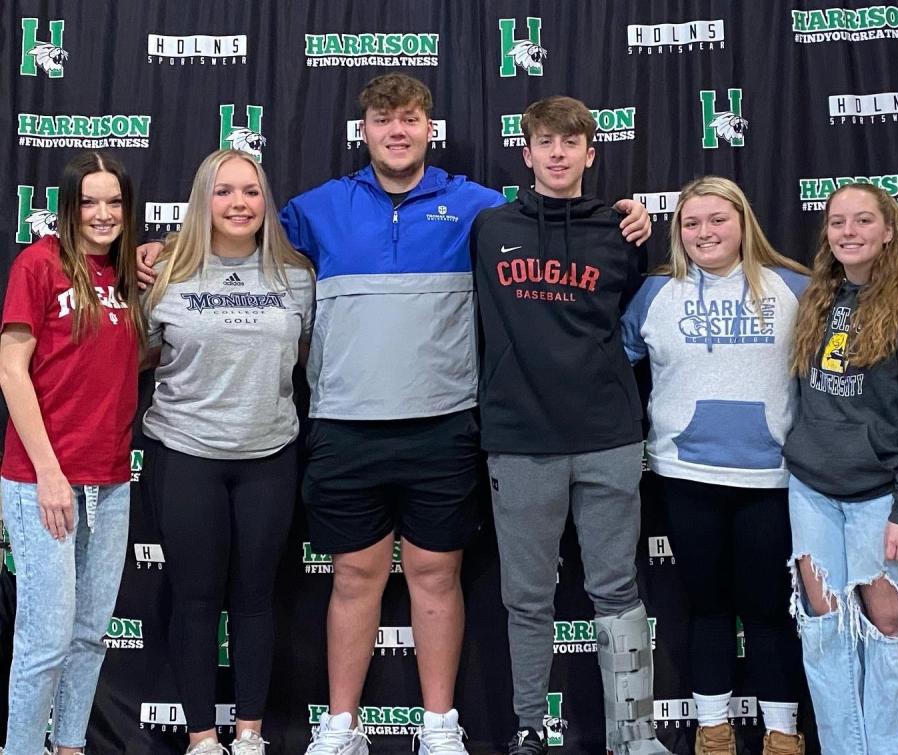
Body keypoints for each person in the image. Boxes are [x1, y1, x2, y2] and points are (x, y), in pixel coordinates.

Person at [137, 73, 650, 755]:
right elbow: (234, 239)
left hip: (444, 424)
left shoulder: (478, 209)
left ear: (429, 130)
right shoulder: (316, 209)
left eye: (410, 119)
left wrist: (631, 216)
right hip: (345, 426)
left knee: (436, 576)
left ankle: (440, 726)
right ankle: (342, 726)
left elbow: (558, 223)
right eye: (384, 121)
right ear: (366, 132)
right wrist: (163, 250)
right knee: (354, 577)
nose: (398, 131)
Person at [471, 95, 671, 755]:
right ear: (525, 153)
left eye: (571, 141)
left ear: (591, 151)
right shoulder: (487, 225)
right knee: (528, 597)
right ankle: (530, 727)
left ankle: (634, 733)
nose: (558, 153)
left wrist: (646, 219)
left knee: (616, 587)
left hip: (608, 436)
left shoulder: (625, 231)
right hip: (521, 439)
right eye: (545, 142)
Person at [621, 176, 809, 755]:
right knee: (707, 608)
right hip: (686, 478)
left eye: (717, 219)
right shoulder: (656, 293)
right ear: (679, 232)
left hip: (770, 481)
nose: (705, 232)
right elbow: (604, 369)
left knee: (768, 610)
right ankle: (713, 731)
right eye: (691, 222)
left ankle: (782, 734)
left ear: (743, 221)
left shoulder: (795, 287)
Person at [140, 149, 314, 755]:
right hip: (186, 453)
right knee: (194, 597)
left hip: (269, 454)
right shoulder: (164, 275)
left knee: (256, 598)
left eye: (250, 191)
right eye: (223, 192)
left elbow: (301, 361)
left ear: (266, 200)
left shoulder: (297, 277)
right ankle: (202, 737)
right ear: (202, 201)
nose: (238, 203)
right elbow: (140, 357)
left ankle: (249, 735)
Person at [783, 183, 898, 755]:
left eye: (863, 221)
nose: (849, 232)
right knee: (823, 629)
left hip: (884, 496)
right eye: (838, 223)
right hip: (811, 489)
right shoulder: (817, 299)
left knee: (889, 629)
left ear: (889, 230)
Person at [0, 151, 144, 755]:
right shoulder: (40, 264)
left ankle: (70, 745)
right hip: (43, 480)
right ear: (68, 206)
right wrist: (50, 473)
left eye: (114, 201)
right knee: (46, 638)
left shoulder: (129, 278)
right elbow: (12, 371)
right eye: (89, 201)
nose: (103, 213)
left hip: (110, 478)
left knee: (89, 635)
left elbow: (120, 365)